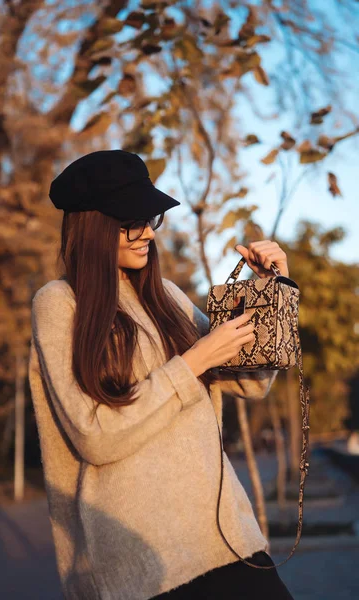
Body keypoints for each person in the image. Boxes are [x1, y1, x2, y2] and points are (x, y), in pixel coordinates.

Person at [28, 149, 294, 600]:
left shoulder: (165, 294)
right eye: (131, 220)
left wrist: (273, 293)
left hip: (228, 540)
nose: (148, 232)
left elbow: (249, 380)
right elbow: (94, 436)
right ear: (92, 224)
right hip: (144, 567)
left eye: (150, 217)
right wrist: (192, 363)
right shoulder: (58, 303)